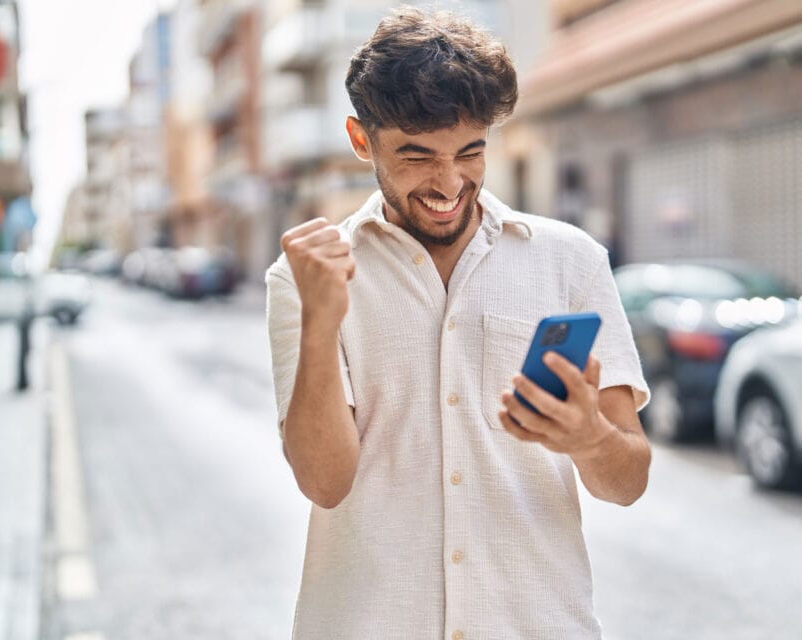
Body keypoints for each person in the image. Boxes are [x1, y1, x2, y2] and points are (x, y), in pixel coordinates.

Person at [266, 7, 651, 639]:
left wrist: (588, 437)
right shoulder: (303, 278)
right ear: (362, 140)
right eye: (416, 156)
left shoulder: (570, 262)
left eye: (469, 152)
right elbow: (324, 482)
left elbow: (628, 481)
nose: (449, 182)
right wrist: (320, 322)